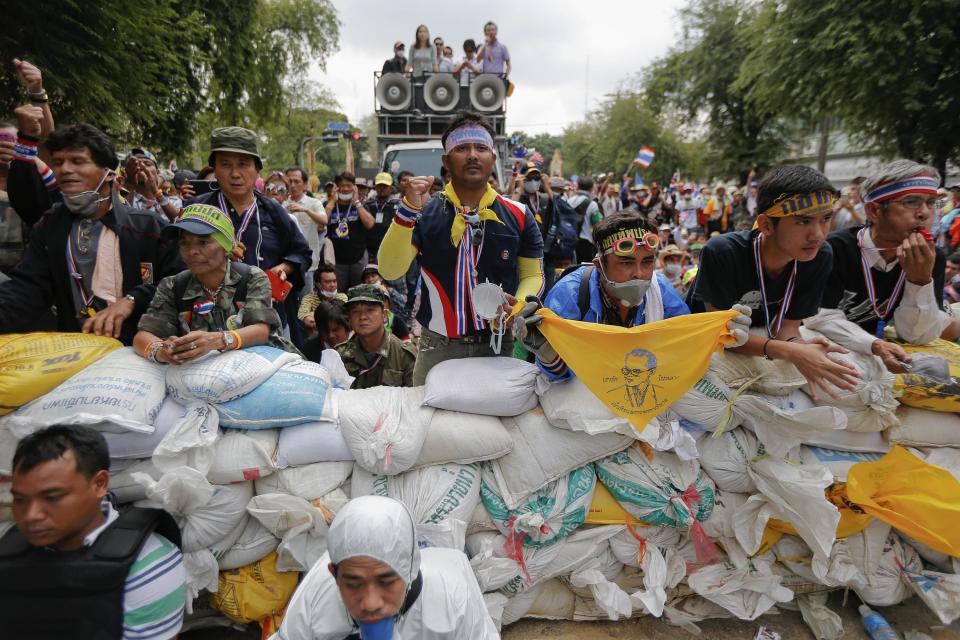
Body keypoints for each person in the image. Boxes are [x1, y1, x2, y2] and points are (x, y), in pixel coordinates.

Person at [378, 112, 544, 384]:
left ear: (492, 157)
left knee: (495, 424)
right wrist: (407, 210)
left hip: (498, 342)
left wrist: (520, 306)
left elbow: (533, 275)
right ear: (446, 160)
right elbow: (390, 268)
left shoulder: (519, 214)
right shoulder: (422, 212)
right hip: (437, 347)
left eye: (481, 148)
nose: (472, 155)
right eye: (461, 148)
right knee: (430, 423)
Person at [686, 164, 861, 399]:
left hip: (762, 335)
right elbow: (722, 335)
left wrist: (800, 346)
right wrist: (790, 351)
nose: (817, 234)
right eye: (802, 221)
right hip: (706, 338)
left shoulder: (821, 256)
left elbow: (788, 327)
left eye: (826, 219)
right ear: (767, 225)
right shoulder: (722, 252)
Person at [0, 122, 181, 343]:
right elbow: (27, 290)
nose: (65, 169)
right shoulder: (49, 227)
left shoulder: (148, 228)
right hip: (76, 350)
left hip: (140, 351)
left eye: (77, 161)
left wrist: (134, 299)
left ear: (109, 174)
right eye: (58, 162)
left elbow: (179, 282)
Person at [0, 425, 186, 640]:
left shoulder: (147, 565)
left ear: (99, 484)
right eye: (20, 499)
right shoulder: (12, 548)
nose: (31, 515)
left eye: (52, 497)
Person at [513, 213, 734, 383]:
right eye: (626, 263)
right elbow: (562, 378)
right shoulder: (570, 294)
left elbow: (685, 343)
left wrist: (721, 334)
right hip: (586, 388)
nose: (639, 273)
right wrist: (548, 354)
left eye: (647, 262)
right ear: (600, 266)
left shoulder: (661, 291)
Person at [271, 496, 498, 640]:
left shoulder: (452, 600)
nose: (370, 604)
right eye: (352, 583)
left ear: (409, 570)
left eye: (386, 581)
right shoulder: (316, 596)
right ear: (334, 575)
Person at [807, 160, 954, 373]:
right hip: (827, 347)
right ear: (874, 211)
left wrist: (919, 281)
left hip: (875, 348)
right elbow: (818, 317)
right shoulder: (834, 250)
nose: (924, 213)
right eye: (911, 202)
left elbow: (917, 335)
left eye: (931, 203)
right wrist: (874, 345)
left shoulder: (931, 257)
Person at [186, 127, 312, 336]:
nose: (235, 174)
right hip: (206, 321)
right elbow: (173, 262)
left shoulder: (274, 213)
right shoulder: (195, 211)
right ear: (214, 169)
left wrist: (283, 268)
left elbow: (302, 253)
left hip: (265, 318)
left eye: (243, 165)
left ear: (257, 170)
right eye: (225, 164)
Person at [134, 204, 296, 362]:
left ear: (226, 246)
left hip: (257, 368)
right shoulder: (173, 285)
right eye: (184, 243)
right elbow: (142, 336)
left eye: (203, 242)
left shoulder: (251, 278)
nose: (192, 251)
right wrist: (162, 351)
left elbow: (261, 331)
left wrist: (218, 340)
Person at [335, 285, 416, 389]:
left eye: (370, 310)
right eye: (355, 311)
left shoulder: (404, 356)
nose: (362, 317)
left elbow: (413, 400)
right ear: (349, 318)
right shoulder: (340, 355)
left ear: (384, 315)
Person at [325, 171, 375, 291]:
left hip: (358, 258)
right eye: (342, 186)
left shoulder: (361, 205)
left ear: (354, 187)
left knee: (359, 293)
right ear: (336, 188)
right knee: (338, 295)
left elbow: (370, 224)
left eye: (349, 186)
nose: (346, 189)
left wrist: (357, 202)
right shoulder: (328, 205)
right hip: (336, 261)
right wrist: (332, 202)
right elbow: (321, 225)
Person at [285, 165, 328, 295]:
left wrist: (305, 210)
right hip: (285, 263)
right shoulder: (282, 204)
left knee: (305, 304)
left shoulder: (314, 203)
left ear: (304, 184)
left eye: (296, 181)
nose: (292, 185)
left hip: (307, 263)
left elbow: (324, 220)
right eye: (289, 181)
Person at [122, 148, 181, 221]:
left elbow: (178, 220)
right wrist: (131, 184)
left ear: (157, 172)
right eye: (135, 165)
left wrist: (156, 191)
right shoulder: (121, 199)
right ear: (127, 173)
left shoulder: (173, 201)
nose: (141, 167)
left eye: (147, 164)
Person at [299, 263, 348, 332]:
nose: (332, 285)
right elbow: (305, 318)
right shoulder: (309, 298)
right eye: (328, 282)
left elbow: (342, 319)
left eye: (334, 281)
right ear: (318, 285)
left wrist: (315, 316)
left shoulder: (342, 297)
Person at [364, 172, 402, 260]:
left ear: (391, 187)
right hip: (370, 249)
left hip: (391, 248)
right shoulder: (368, 204)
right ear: (375, 187)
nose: (382, 188)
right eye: (380, 185)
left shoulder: (399, 204)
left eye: (385, 186)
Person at [567, 175, 603, 264]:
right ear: (591, 189)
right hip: (585, 243)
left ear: (578, 186)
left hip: (568, 241)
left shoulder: (568, 201)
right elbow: (597, 225)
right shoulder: (593, 204)